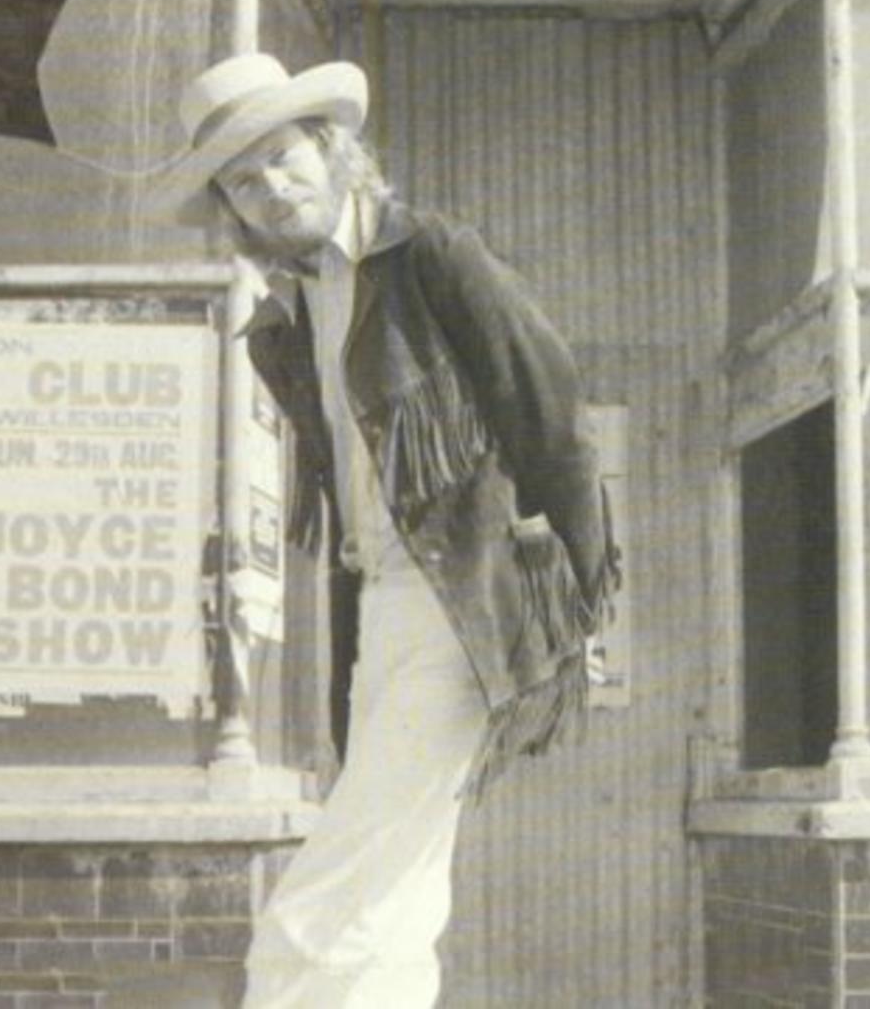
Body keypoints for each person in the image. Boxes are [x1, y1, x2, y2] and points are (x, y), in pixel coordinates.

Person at [154, 51, 616, 1008]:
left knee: (331, 886)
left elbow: (554, 415)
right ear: (232, 211)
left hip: (459, 604)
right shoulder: (287, 318)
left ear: (331, 150)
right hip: (375, 608)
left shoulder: (431, 255)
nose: (272, 189)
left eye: (282, 158)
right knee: (400, 882)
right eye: (244, 182)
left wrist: (577, 598)